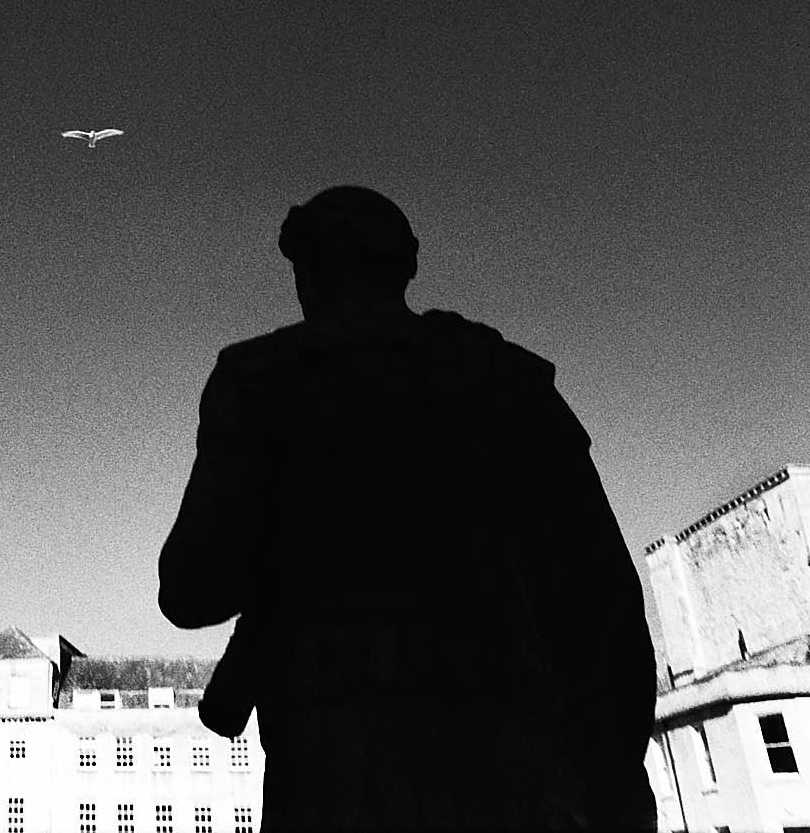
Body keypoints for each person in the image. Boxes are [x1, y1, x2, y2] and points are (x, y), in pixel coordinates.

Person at [159, 186, 655, 831]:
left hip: (334, 771)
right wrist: (613, 782)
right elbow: (603, 604)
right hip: (511, 768)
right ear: (407, 264)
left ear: (305, 272)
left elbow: (191, 590)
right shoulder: (503, 377)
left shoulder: (259, 382)